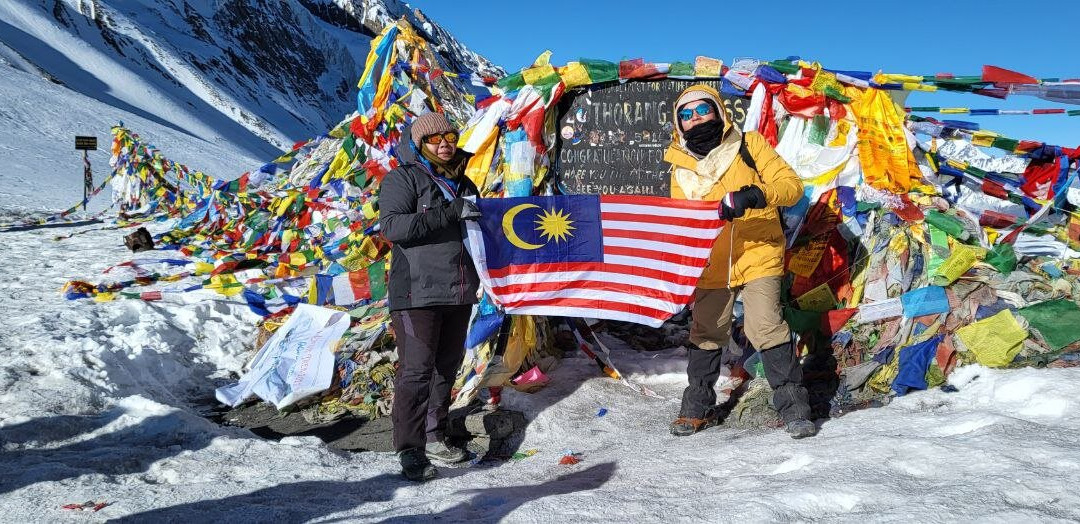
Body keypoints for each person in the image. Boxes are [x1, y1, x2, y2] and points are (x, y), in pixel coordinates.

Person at [663, 84, 817, 439]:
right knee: (706, 332)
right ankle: (696, 408)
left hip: (758, 251)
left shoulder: (749, 144)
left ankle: (795, 409)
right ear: (679, 123)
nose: (696, 118)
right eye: (686, 114)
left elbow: (791, 186)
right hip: (711, 264)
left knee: (765, 326)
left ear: (718, 110)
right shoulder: (679, 167)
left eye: (703, 109)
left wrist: (756, 194)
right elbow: (682, 221)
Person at [379, 111, 482, 481]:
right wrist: (448, 213)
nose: (445, 144)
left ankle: (436, 435)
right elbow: (393, 227)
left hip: (459, 289)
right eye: (435, 139)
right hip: (416, 291)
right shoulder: (403, 178)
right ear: (420, 144)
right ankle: (410, 448)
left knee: (446, 367)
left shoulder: (464, 182)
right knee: (417, 370)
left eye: (450, 137)